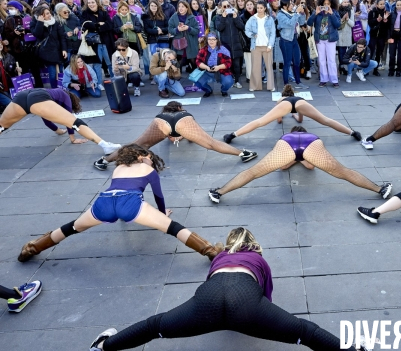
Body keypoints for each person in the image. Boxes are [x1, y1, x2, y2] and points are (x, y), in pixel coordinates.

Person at [88, 227, 371, 351]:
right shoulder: (258, 259)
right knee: (305, 332)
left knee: (154, 326)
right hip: (246, 299)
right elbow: (264, 292)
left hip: (208, 300)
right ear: (254, 245)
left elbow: (213, 280)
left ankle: (104, 346)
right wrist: (262, 317)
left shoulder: (220, 256)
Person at [19, 144, 223, 265]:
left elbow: (116, 191)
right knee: (173, 228)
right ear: (143, 157)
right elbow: (159, 197)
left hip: (103, 203)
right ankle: (210, 251)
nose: (152, 161)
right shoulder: (149, 171)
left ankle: (32, 248)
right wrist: (163, 214)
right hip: (130, 203)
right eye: (150, 158)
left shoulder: (118, 169)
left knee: (71, 228)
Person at [210, 126, 390, 203]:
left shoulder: (286, 137)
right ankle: (379, 189)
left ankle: (218, 192)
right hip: (312, 144)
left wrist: (293, 158)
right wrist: (302, 157)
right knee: (343, 172)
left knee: (252, 172)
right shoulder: (310, 137)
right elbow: (311, 166)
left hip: (285, 145)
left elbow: (282, 166)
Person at [94, 101, 257, 170]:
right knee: (211, 143)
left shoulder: (162, 115)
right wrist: (183, 136)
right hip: (183, 122)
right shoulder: (184, 114)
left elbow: (170, 136)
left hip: (161, 122)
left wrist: (176, 136)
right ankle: (243, 153)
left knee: (137, 145)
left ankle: (104, 161)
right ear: (179, 108)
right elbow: (188, 134)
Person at [223, 84, 362, 143]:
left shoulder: (281, 99)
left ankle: (232, 135)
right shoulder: (299, 98)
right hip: (301, 104)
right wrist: (295, 115)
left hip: (286, 105)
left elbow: (278, 120)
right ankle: (352, 132)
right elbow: (301, 120)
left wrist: (284, 114)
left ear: (283, 94)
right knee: (325, 120)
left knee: (261, 121)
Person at [0, 87, 120, 151]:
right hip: (37, 98)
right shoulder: (65, 95)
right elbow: (70, 120)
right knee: (76, 122)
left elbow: (47, 120)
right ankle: (105, 145)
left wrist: (58, 131)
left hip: (20, 97)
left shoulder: (52, 93)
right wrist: (72, 138)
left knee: (2, 126)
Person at [31, 5, 66, 89]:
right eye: (46, 14)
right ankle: (55, 90)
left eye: (49, 13)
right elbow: (37, 34)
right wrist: (40, 22)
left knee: (61, 72)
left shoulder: (55, 22)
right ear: (41, 16)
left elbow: (62, 37)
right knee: (53, 73)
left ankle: (62, 89)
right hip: (47, 53)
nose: (49, 15)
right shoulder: (34, 23)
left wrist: (64, 49)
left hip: (58, 51)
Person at [81, 0, 115, 82]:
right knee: (97, 64)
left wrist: (97, 27)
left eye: (93, 2)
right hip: (94, 42)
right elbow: (86, 25)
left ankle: (115, 80)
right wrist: (98, 24)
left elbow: (110, 25)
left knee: (110, 62)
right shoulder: (85, 14)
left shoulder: (103, 12)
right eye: (89, 3)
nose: (91, 4)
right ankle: (98, 82)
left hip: (106, 41)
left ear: (97, 3)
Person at [244, 0, 275, 91]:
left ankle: (271, 86)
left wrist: (270, 45)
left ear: (265, 8)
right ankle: (254, 86)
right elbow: (247, 30)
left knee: (269, 67)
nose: (259, 10)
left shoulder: (269, 19)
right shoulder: (252, 18)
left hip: (267, 46)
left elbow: (273, 33)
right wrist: (252, 35)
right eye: (258, 8)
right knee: (255, 67)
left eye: (261, 8)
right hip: (255, 46)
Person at [215, 0, 245, 89]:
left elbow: (241, 26)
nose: (226, 8)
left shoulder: (235, 15)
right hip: (225, 44)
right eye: (224, 6)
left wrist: (236, 18)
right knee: (228, 64)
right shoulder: (218, 17)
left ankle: (237, 81)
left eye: (228, 6)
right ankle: (230, 80)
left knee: (237, 64)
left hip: (236, 43)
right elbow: (219, 28)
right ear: (221, 7)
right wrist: (223, 17)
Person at [194, 32, 234, 97]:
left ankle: (224, 90)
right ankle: (208, 90)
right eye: (209, 39)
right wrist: (206, 67)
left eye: (213, 39)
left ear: (217, 40)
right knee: (196, 80)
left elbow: (228, 63)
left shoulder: (224, 50)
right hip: (206, 71)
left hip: (221, 71)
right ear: (207, 40)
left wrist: (218, 67)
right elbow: (198, 61)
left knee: (229, 82)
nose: (211, 41)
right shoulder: (203, 50)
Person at [278, 0, 306, 86]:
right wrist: (297, 13)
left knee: (297, 61)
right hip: (285, 41)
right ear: (285, 6)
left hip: (294, 39)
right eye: (290, 4)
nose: (292, 5)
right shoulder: (280, 14)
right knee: (287, 62)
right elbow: (290, 24)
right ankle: (286, 83)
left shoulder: (293, 13)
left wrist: (302, 13)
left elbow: (301, 22)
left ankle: (298, 81)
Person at [168, 0, 199, 74]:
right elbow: (170, 29)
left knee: (193, 62)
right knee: (179, 62)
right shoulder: (173, 17)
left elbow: (197, 30)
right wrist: (177, 29)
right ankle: (177, 77)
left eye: (183, 6)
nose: (180, 8)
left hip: (190, 44)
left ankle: (195, 79)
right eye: (179, 6)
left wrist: (188, 28)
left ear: (187, 8)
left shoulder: (192, 18)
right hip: (178, 43)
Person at [366, 0, 390, 77]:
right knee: (371, 52)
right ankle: (367, 68)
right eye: (381, 4)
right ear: (376, 5)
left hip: (382, 36)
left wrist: (385, 21)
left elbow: (388, 26)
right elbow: (370, 23)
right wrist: (377, 20)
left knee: (379, 53)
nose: (382, 5)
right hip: (373, 35)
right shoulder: (372, 12)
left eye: (383, 4)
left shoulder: (386, 13)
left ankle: (375, 70)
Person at [387, 0, 401, 77]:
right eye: (397, 5)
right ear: (395, 6)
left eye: (400, 5)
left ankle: (398, 69)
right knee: (392, 54)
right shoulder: (391, 14)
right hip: (393, 35)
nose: (399, 6)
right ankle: (391, 69)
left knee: (400, 54)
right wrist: (388, 37)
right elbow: (388, 26)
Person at [337, 0, 354, 77]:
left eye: (347, 2)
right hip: (339, 35)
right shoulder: (337, 11)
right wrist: (342, 19)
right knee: (341, 52)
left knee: (347, 52)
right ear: (341, 2)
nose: (346, 3)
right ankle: (341, 66)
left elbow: (353, 24)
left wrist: (347, 19)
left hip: (347, 35)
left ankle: (345, 66)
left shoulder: (351, 10)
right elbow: (336, 24)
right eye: (344, 2)